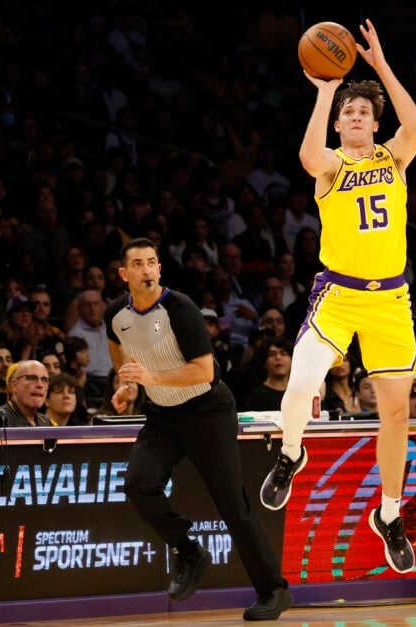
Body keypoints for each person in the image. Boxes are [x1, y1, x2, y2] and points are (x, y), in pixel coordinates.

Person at [258, 19, 416, 576]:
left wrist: (378, 65)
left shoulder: (392, 158)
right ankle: (290, 455)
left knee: (396, 413)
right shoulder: (330, 164)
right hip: (339, 296)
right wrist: (327, 88)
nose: (356, 118)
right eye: (347, 113)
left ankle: (389, 514)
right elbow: (308, 155)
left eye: (363, 113)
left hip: (390, 302)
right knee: (302, 384)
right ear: (338, 124)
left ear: (375, 124)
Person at [104, 237, 290, 620]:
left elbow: (204, 372)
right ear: (124, 274)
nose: (146, 269)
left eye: (151, 262)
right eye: (137, 263)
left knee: (231, 506)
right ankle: (188, 550)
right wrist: (127, 388)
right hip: (162, 414)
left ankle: (273, 590)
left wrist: (149, 375)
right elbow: (122, 357)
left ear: (159, 269)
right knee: (138, 483)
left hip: (207, 411)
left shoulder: (180, 307)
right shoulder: (114, 315)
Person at [0, 360, 52, 427]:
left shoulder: (46, 422)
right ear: (14, 386)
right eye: (31, 378)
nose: (40, 385)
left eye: (44, 379)